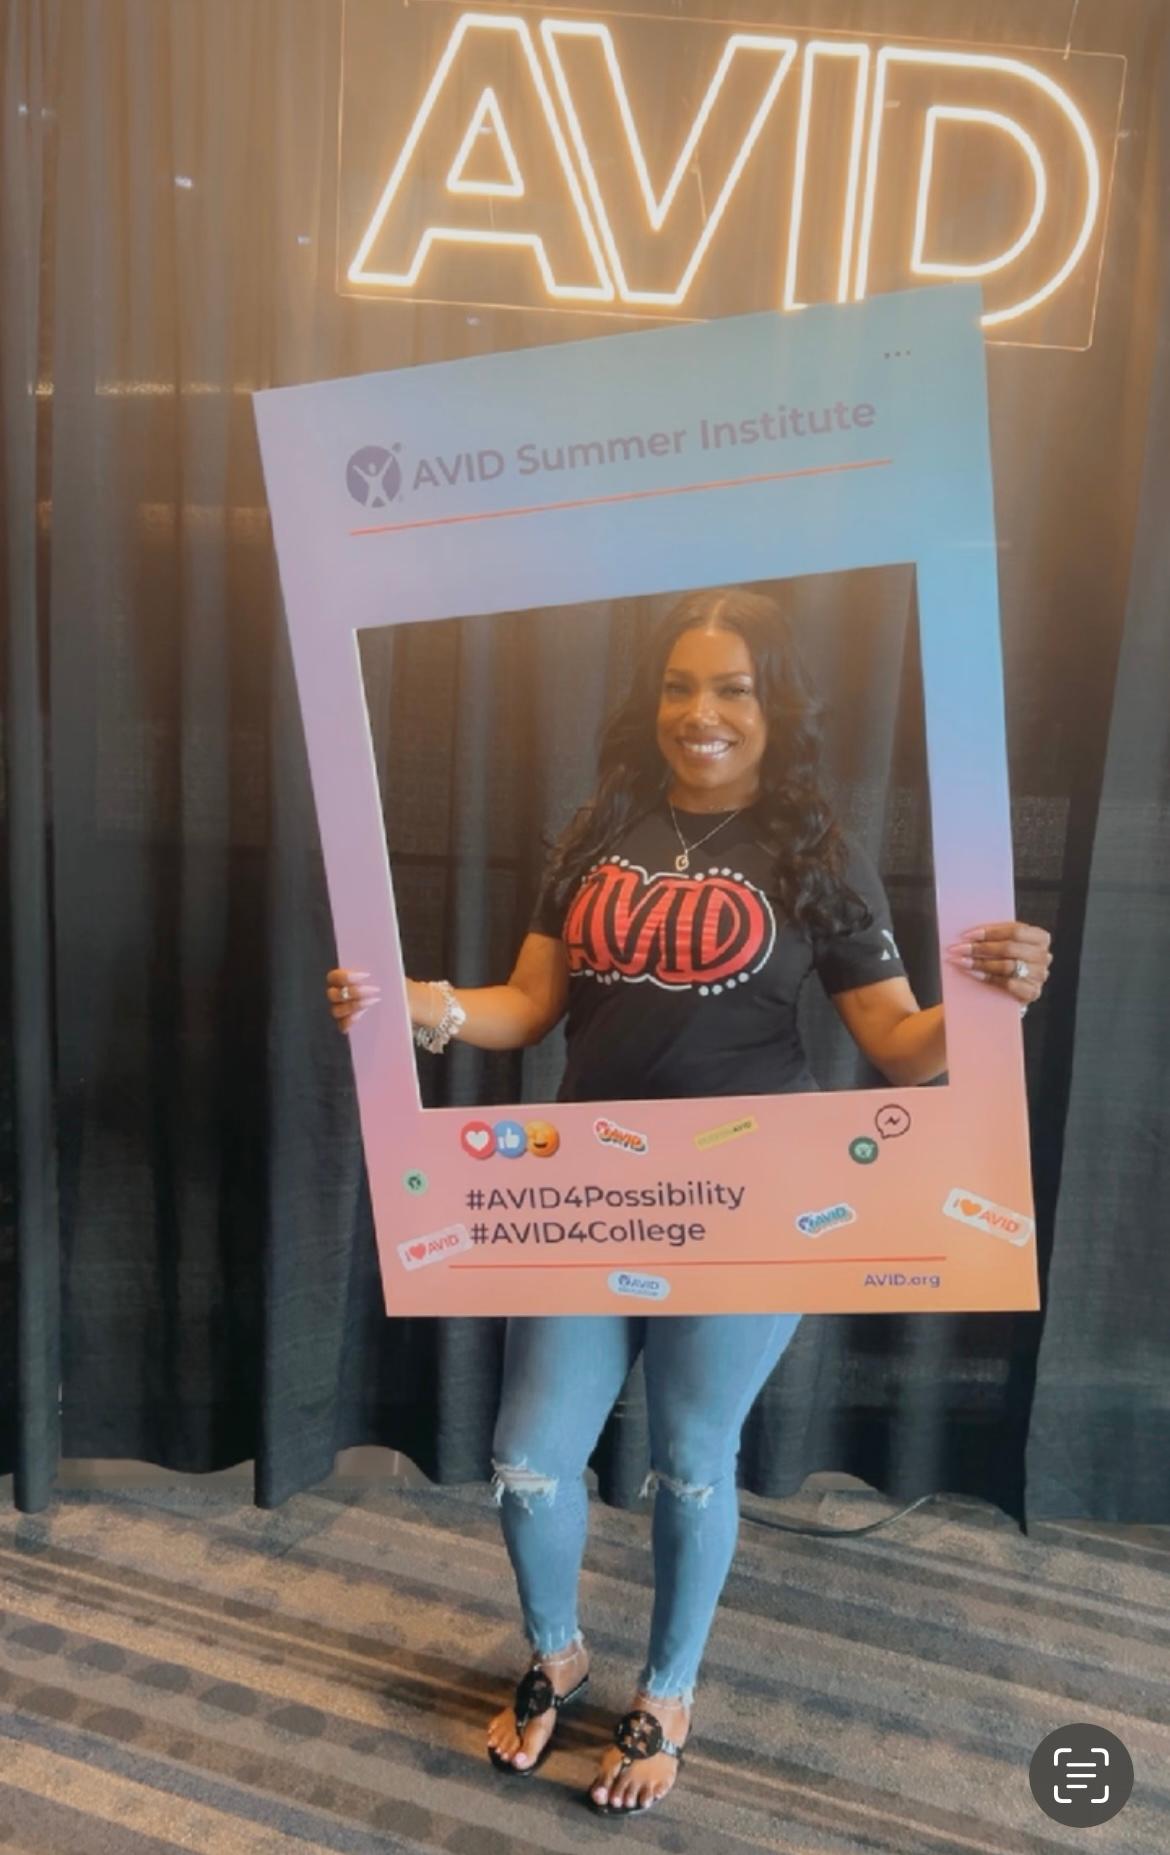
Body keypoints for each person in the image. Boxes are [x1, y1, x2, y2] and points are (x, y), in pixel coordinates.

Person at [325, 586, 1052, 1816]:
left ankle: (669, 1688)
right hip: (588, 1192)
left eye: (731, 688)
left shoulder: (814, 849)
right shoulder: (598, 829)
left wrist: (996, 1005)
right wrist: (420, 1004)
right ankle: (557, 1653)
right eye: (678, 685)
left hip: (752, 1200)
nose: (700, 713)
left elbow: (897, 1044)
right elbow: (526, 1005)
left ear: (775, 707)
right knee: (528, 1457)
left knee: (693, 1461)